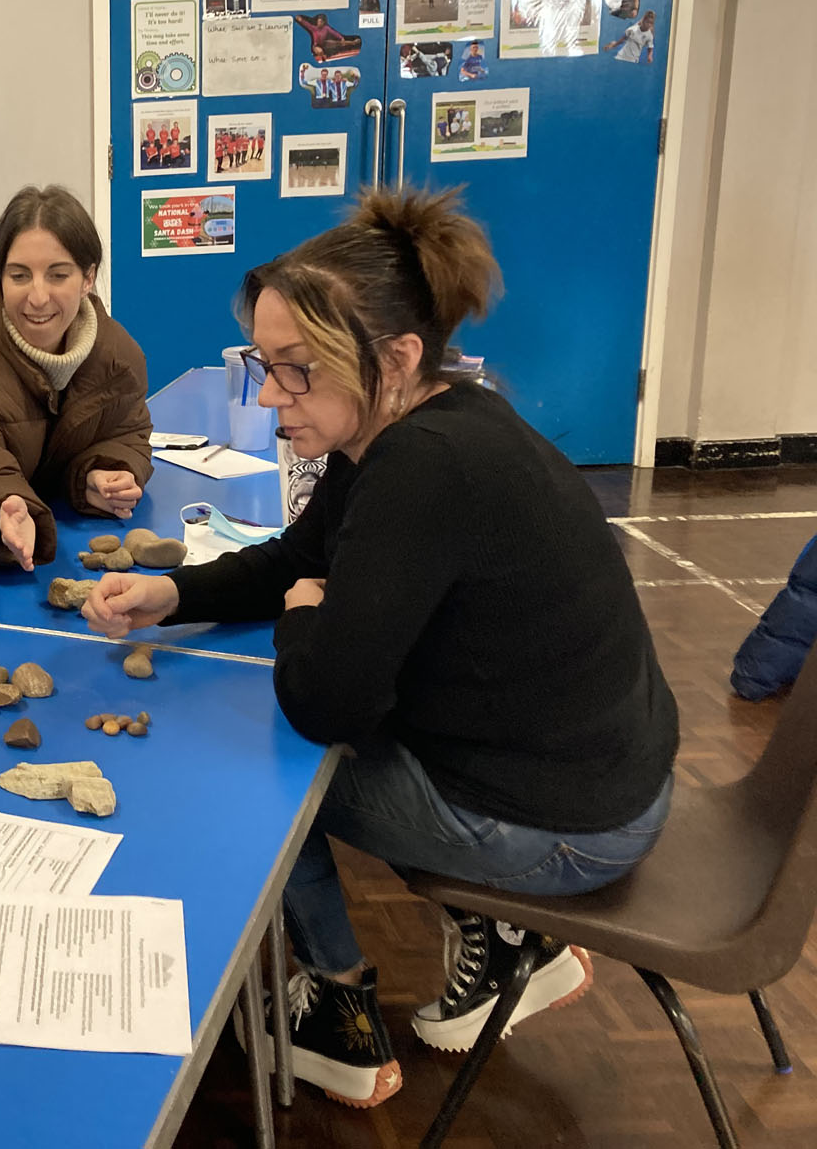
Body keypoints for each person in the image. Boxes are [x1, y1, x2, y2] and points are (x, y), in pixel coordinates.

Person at [81, 188, 678, 1109]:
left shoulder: (420, 469)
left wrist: (305, 618)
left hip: (568, 824)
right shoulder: (423, 421)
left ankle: (338, 1014)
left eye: (297, 371)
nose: (275, 398)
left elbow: (325, 700)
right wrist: (175, 593)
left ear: (395, 357)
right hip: (598, 777)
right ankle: (521, 943)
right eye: (265, 366)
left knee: (266, 768)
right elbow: (297, 557)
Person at [0, 185, 151, 571]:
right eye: (20, 276)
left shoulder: (118, 357)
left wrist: (103, 472)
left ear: (88, 278)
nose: (38, 297)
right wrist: (2, 507)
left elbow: (125, 430)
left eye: (58, 275)